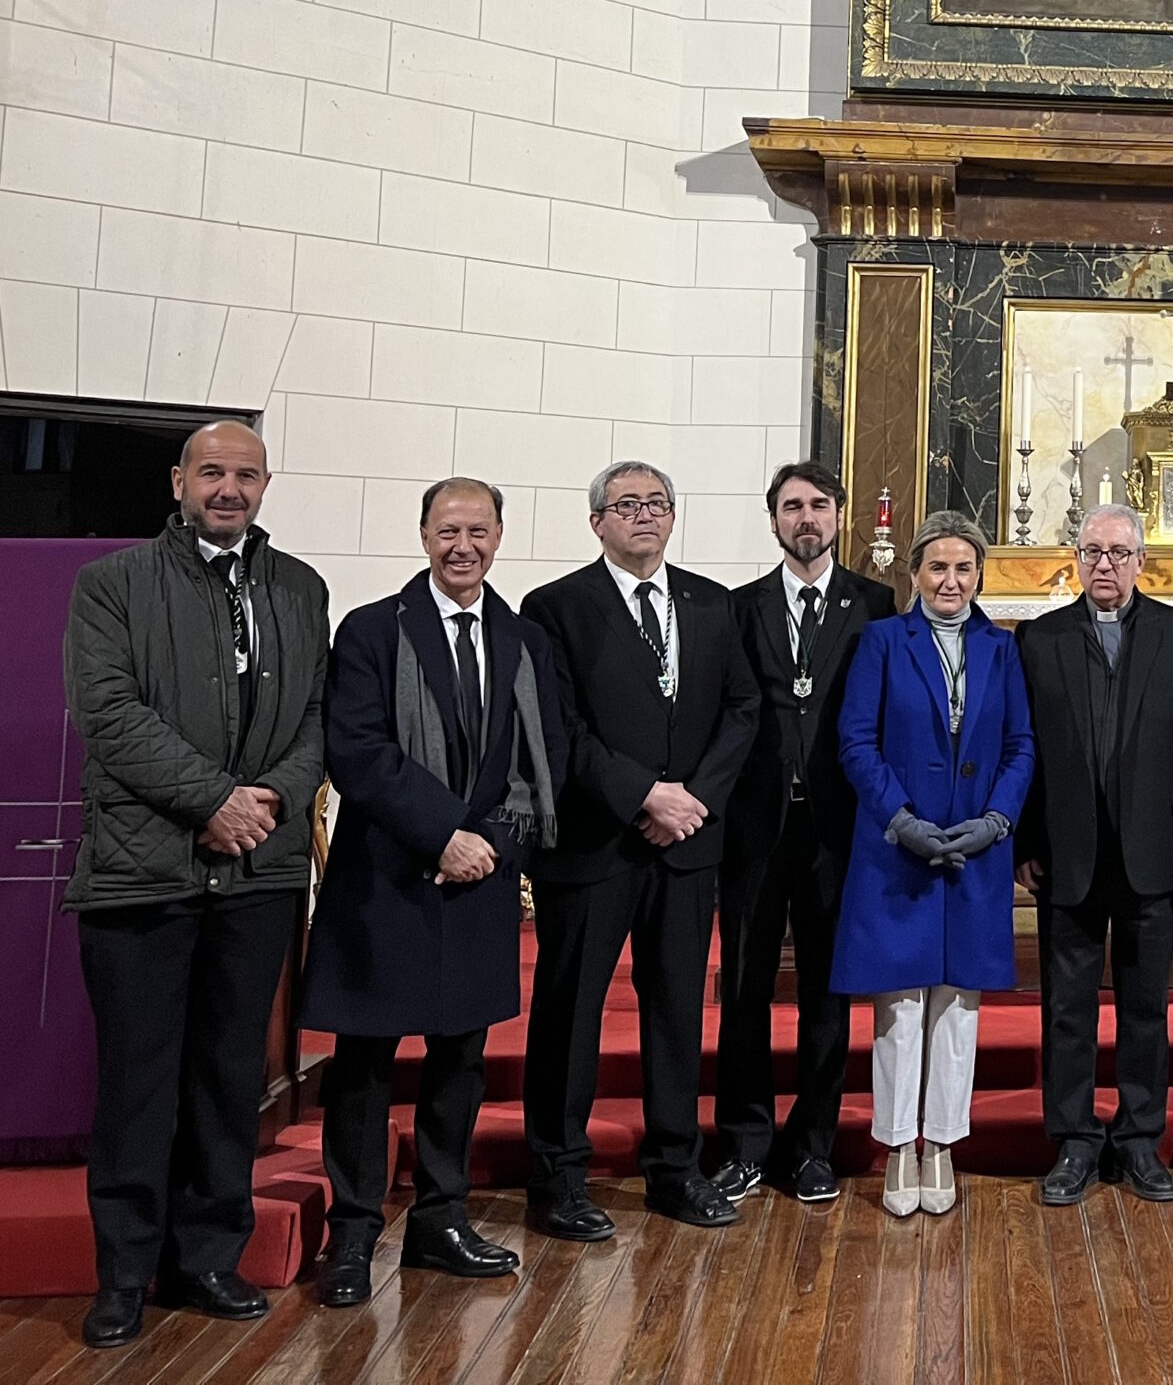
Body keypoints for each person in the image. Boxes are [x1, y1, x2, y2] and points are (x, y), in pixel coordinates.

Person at [62, 420, 329, 1350]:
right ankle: (124, 1275)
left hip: (258, 876)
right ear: (179, 480)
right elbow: (108, 712)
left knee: (226, 1079)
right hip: (144, 876)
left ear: (266, 484)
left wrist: (269, 801)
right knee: (139, 1084)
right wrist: (215, 799)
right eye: (211, 472)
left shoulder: (301, 587)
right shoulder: (114, 585)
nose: (229, 487)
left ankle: (208, 1256)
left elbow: (316, 719)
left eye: (246, 474)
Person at [304, 478, 567, 1306]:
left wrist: (492, 846)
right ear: (423, 534)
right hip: (386, 875)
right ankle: (351, 1233)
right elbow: (358, 750)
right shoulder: (374, 629)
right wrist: (442, 835)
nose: (464, 546)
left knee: (461, 1058)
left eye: (479, 531)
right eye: (448, 529)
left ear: (499, 536)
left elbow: (539, 756)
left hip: (481, 879)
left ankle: (439, 1220)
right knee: (365, 1063)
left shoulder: (523, 639)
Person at [519, 462, 759, 1239]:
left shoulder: (711, 603)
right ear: (597, 522)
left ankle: (674, 1170)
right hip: (594, 846)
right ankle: (557, 1177)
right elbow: (560, 729)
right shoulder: (555, 609)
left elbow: (743, 709)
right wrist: (642, 795)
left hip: (685, 846)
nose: (645, 517)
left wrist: (692, 802)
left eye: (658, 503)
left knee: (675, 1015)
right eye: (627, 505)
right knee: (571, 1014)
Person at [1016, 503, 1173, 1206]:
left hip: (1153, 854)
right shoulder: (1040, 638)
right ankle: (1074, 1142)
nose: (1104, 564)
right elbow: (1025, 753)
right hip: (1067, 854)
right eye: (1091, 552)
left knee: (1145, 1008)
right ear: (1076, 560)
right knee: (1067, 1009)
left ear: (1141, 561)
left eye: (1117, 552)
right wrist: (1023, 843)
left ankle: (1139, 1141)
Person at [835, 512, 1034, 1218]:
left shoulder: (1002, 647)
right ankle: (896, 1147)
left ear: (980, 575)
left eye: (964, 568)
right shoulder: (884, 641)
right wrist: (903, 821)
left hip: (974, 851)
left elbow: (1021, 746)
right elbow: (857, 741)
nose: (951, 581)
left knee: (957, 1005)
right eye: (938, 568)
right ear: (914, 574)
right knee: (899, 1005)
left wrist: (995, 821)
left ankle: (942, 1144)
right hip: (899, 848)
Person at [708, 464, 897, 1208]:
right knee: (747, 992)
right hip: (754, 827)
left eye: (819, 505)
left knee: (827, 993)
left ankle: (813, 1146)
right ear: (775, 520)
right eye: (792, 507)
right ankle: (745, 1144)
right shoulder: (738, 607)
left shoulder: (876, 604)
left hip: (836, 828)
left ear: (841, 515)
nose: (806, 518)